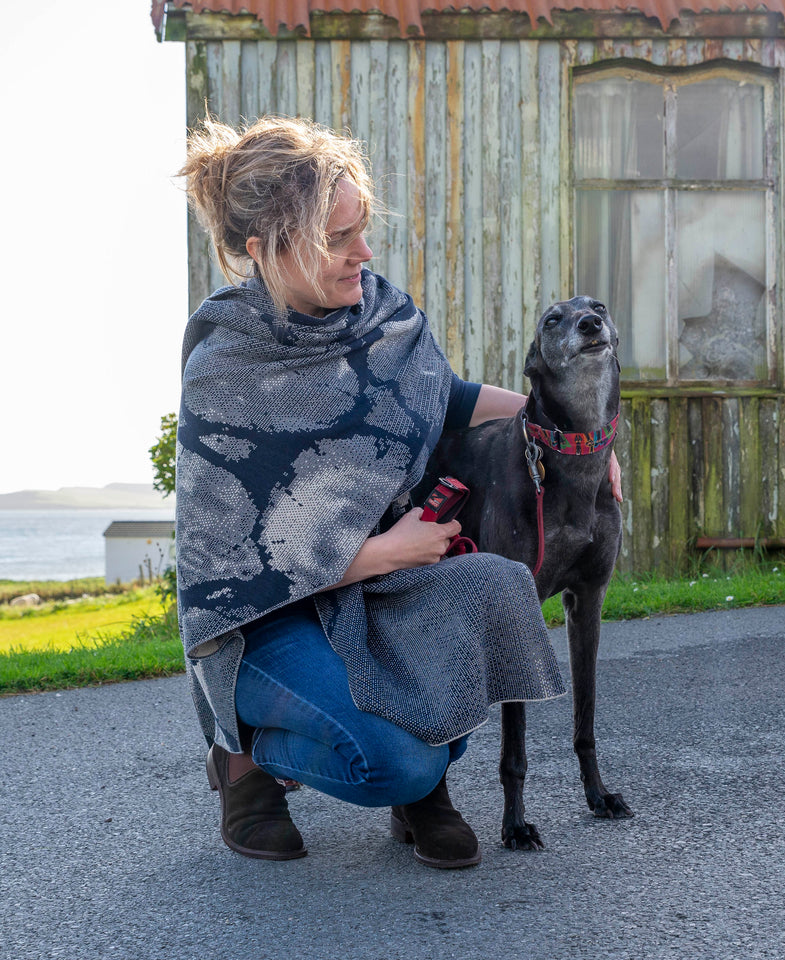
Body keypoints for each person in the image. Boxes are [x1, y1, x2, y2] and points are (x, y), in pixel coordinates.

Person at [175, 116, 623, 869]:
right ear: (265, 250)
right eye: (338, 238)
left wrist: (576, 443)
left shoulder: (384, 318)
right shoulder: (227, 365)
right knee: (396, 765)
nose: (365, 253)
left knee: (498, 589)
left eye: (362, 228)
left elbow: (448, 399)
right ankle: (244, 760)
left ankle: (420, 766)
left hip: (379, 590)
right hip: (268, 622)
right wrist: (382, 552)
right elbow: (227, 568)